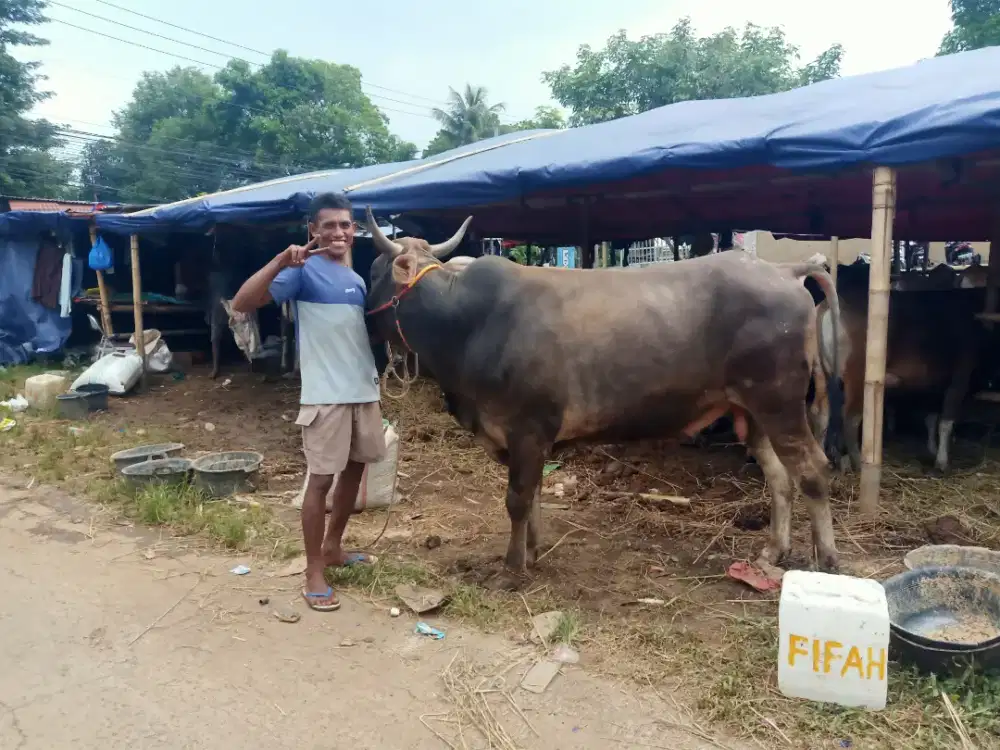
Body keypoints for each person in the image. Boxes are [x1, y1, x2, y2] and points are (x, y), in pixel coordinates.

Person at [231, 192, 385, 612]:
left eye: (346, 225)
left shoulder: (355, 280)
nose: (339, 232)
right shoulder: (301, 271)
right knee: (320, 482)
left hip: (363, 391)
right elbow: (243, 304)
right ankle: (313, 569)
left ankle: (335, 547)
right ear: (313, 231)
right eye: (330, 225)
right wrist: (282, 261)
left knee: (354, 472)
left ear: (354, 231)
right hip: (326, 396)